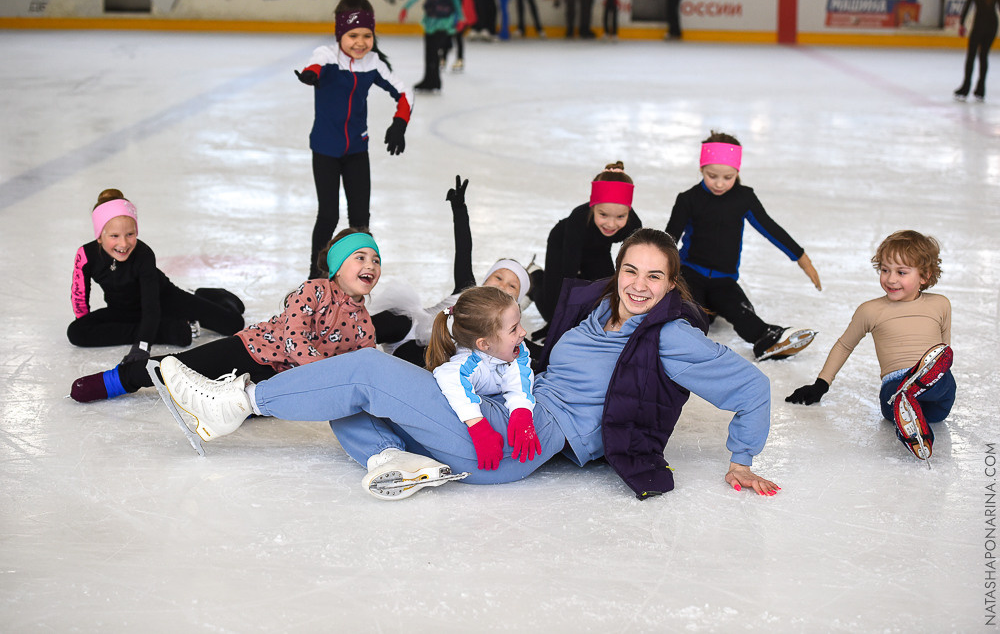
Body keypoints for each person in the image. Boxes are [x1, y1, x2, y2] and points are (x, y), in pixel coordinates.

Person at [156, 228, 780, 502]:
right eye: (630, 271)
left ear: (671, 283)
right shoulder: (599, 313)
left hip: (517, 443)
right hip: (503, 410)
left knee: (370, 372)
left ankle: (230, 404)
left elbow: (752, 388)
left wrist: (742, 459)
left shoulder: (669, 337)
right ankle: (392, 460)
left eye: (654, 276)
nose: (639, 286)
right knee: (352, 399)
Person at [70, 229, 380, 403]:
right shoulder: (313, 291)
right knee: (180, 369)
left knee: (229, 404)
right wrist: (326, 374)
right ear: (338, 265)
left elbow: (368, 366)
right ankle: (121, 379)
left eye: (376, 260)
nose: (371, 264)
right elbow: (293, 337)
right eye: (361, 257)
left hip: (279, 380)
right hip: (251, 349)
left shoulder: (365, 325)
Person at [786, 230, 953, 462]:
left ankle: (913, 396)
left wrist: (937, 371)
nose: (890, 279)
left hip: (935, 387)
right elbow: (845, 345)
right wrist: (821, 384)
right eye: (885, 270)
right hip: (893, 385)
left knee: (943, 380)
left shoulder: (940, 304)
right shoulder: (871, 310)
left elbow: (944, 350)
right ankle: (911, 416)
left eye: (901, 272)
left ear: (924, 276)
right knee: (893, 396)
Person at [665, 131, 820, 361]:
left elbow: (770, 228)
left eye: (727, 177)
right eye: (712, 175)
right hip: (690, 274)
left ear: (737, 172)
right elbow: (669, 239)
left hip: (724, 280)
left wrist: (801, 258)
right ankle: (683, 337)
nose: (719, 183)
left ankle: (767, 339)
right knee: (690, 313)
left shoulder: (743, 198)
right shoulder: (688, 199)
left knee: (741, 311)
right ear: (701, 169)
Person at [295, 0, 412, 279]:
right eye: (352, 35)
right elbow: (314, 66)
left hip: (357, 150)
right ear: (340, 34)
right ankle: (316, 278)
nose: (360, 42)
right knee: (328, 216)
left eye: (367, 35)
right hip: (325, 149)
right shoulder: (325, 55)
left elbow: (406, 92)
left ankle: (360, 275)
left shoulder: (372, 63)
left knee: (360, 219)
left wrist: (399, 123)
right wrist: (312, 75)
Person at [368, 175, 532, 367]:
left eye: (512, 285)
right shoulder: (467, 289)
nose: (503, 286)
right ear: (485, 281)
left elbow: (530, 349)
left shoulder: (506, 329)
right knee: (396, 319)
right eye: (498, 277)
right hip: (410, 325)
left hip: (427, 352)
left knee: (438, 360)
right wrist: (459, 210)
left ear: (518, 301)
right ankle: (339, 338)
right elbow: (463, 249)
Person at [68, 189, 245, 363]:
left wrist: (142, 345)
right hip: (122, 310)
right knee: (76, 332)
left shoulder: (143, 254)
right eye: (114, 236)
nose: (123, 243)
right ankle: (167, 330)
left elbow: (151, 306)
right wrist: (87, 325)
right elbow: (79, 295)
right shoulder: (86, 255)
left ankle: (208, 295)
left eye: (130, 234)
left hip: (165, 301)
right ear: (99, 236)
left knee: (233, 325)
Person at [426, 285, 540, 470]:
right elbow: (448, 376)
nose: (523, 332)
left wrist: (522, 411)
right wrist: (478, 427)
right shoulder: (469, 363)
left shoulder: (516, 350)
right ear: (485, 344)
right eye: (513, 329)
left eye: (520, 323)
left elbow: (520, 377)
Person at [528, 161, 642, 336]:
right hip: (563, 246)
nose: (611, 224)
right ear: (593, 206)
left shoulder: (633, 225)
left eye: (620, 216)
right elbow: (569, 276)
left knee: (606, 296)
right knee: (551, 310)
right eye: (603, 214)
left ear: (628, 211)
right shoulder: (578, 219)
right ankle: (536, 277)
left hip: (598, 250)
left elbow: (634, 265)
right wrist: (556, 322)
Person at [400, 0, 464, 92]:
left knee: (434, 51)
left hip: (444, 22)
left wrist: (461, 18)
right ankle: (428, 79)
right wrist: (405, 7)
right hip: (430, 21)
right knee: (429, 51)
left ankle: (435, 80)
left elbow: (456, 1)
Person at [954, 0, 1000, 100]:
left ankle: (965, 88)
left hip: (979, 25)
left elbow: (967, 8)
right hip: (992, 26)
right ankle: (980, 89)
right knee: (983, 56)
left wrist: (962, 24)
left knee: (971, 57)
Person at [446, 0, 477, 71]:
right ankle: (443, 58)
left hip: (465, 18)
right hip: (453, 17)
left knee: (458, 37)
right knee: (447, 38)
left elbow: (475, 6)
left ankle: (460, 59)